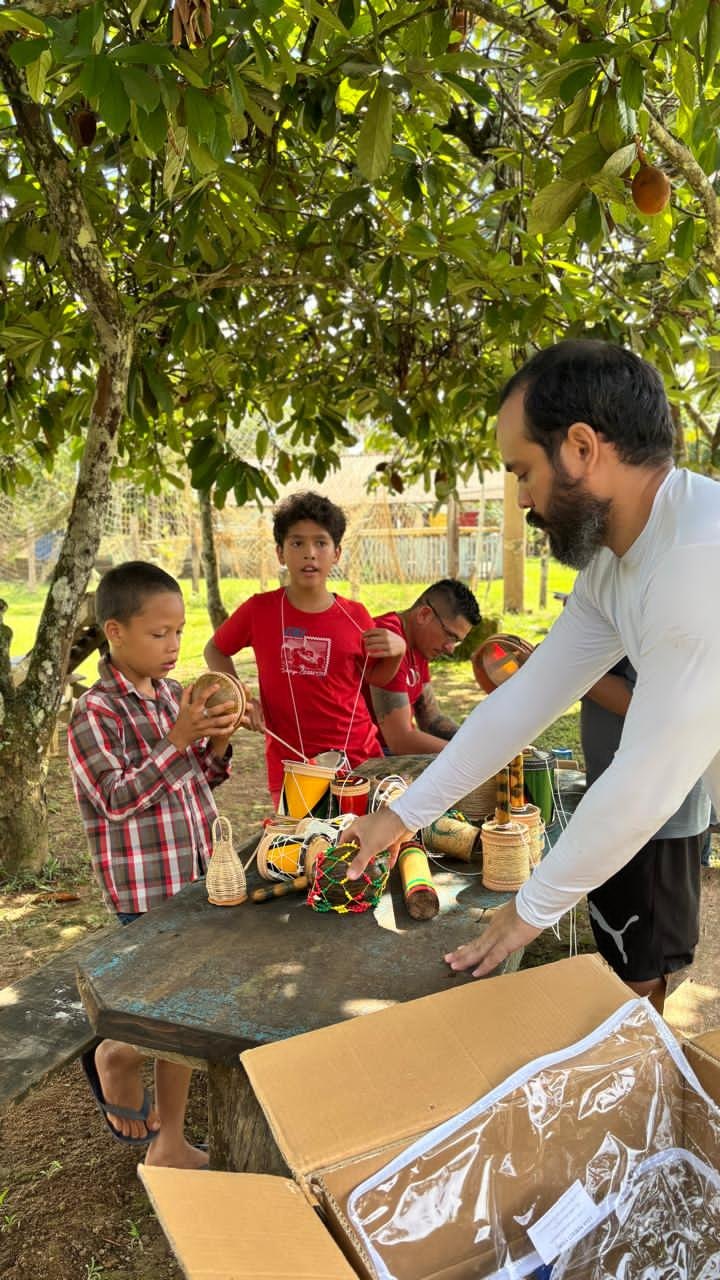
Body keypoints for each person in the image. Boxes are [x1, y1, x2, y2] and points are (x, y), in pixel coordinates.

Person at [343, 339, 720, 985]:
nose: (521, 499)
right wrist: (400, 815)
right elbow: (522, 703)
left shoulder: (698, 555)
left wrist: (529, 909)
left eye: (523, 472)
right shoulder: (616, 562)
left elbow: (648, 777)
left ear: (581, 448)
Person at [68, 561, 238, 1168]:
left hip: (195, 873)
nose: (173, 646)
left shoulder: (171, 696)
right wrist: (179, 739)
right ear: (115, 631)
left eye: (179, 632)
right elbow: (116, 799)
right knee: (172, 1010)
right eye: (159, 633)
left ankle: (168, 1145)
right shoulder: (95, 712)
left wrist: (218, 739)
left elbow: (199, 777)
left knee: (185, 1011)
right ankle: (117, 1051)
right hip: (145, 887)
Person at [203, 492, 405, 809]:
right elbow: (215, 649)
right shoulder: (260, 611)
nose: (310, 553)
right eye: (297, 543)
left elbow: (376, 677)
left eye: (321, 543)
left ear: (336, 553)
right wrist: (241, 697)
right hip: (292, 765)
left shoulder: (355, 615)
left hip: (358, 758)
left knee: (365, 836)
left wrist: (397, 653)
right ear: (280, 553)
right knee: (302, 839)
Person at [581, 658, 710, 1010]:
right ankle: (630, 1031)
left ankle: (643, 1038)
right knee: (620, 944)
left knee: (645, 966)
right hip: (621, 803)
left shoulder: (663, 621)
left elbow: (654, 703)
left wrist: (573, 667)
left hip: (655, 816)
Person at [369, 580, 481, 754]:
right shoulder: (389, 640)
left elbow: (431, 719)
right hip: (367, 755)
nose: (450, 649)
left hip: (388, 752)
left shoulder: (420, 643)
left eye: (456, 641)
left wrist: (474, 742)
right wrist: (469, 753)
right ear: (424, 615)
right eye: (450, 636)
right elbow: (401, 741)